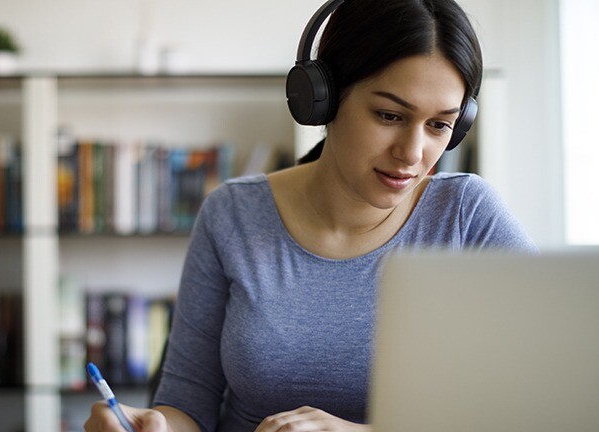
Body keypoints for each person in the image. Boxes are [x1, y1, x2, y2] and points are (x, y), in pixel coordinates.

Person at [85, 0, 537, 431]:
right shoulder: (232, 215)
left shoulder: (466, 216)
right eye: (389, 115)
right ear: (322, 98)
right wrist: (154, 425)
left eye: (440, 125)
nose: (413, 154)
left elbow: (544, 393)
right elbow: (187, 406)